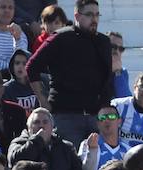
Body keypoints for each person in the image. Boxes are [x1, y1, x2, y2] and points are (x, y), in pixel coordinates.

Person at [25, 0, 112, 148]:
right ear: (77, 16)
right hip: (66, 115)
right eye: (89, 15)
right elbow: (31, 67)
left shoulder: (103, 41)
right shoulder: (60, 38)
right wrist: (43, 100)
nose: (94, 19)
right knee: (70, 164)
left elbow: (107, 79)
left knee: (98, 165)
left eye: (97, 15)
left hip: (95, 116)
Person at [76, 105, 131, 170]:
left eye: (111, 117)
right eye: (102, 118)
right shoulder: (87, 144)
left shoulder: (127, 150)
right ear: (98, 123)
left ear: (119, 121)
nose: (107, 120)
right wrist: (92, 151)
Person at [3, 49, 39, 115]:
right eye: (17, 63)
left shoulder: (38, 85)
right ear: (12, 66)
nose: (20, 66)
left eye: (24, 63)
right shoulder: (6, 89)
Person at [108, 31, 129, 98]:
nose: (117, 51)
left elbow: (125, 99)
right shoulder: (93, 68)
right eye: (113, 47)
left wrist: (117, 72)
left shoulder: (122, 72)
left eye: (121, 49)